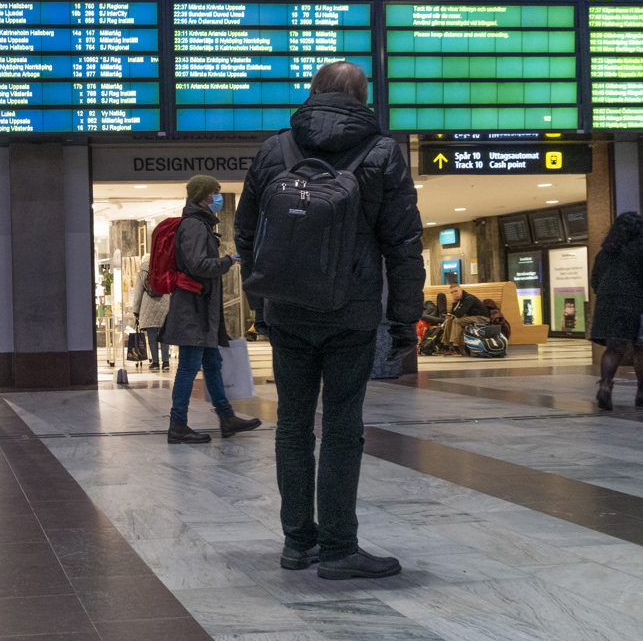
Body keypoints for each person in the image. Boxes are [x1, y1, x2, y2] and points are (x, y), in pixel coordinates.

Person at [235, 61, 425, 580]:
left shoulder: (277, 148)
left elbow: (246, 232)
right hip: (352, 312)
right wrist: (405, 320)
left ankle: (298, 544)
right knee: (342, 425)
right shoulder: (384, 153)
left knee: (293, 424)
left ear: (313, 92)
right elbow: (404, 243)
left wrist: (261, 305)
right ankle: (339, 548)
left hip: (288, 311)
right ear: (363, 97)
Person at [162, 175, 263, 444]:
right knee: (188, 367)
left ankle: (226, 417)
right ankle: (178, 425)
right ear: (203, 195)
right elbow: (197, 264)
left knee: (212, 364)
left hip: (202, 310)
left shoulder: (200, 223)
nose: (218, 197)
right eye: (214, 193)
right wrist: (227, 261)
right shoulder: (194, 225)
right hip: (193, 310)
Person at [591, 212, 643, 411]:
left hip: (608, 304)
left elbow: (595, 280)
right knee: (641, 348)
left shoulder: (605, 253)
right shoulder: (639, 252)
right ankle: (641, 392)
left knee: (613, 348)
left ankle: (605, 385)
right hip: (636, 303)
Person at [132, 255, 172, 371]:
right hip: (164, 303)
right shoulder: (165, 268)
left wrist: (136, 310)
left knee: (152, 337)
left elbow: (138, 292)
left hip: (148, 306)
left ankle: (155, 362)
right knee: (165, 336)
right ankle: (166, 362)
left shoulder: (142, 271)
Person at [442, 283, 491, 355]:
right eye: (452, 292)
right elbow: (454, 314)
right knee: (450, 321)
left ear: (461, 290)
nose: (454, 293)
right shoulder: (460, 299)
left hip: (482, 318)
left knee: (456, 320)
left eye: (456, 291)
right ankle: (446, 345)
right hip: (471, 318)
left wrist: (455, 303)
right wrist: (450, 315)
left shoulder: (469, 298)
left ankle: (455, 346)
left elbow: (459, 314)